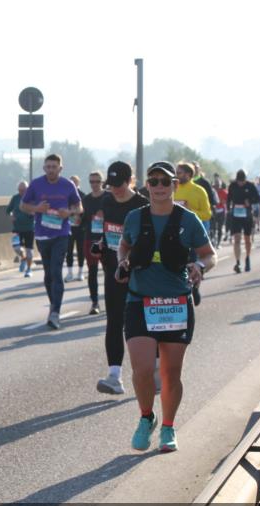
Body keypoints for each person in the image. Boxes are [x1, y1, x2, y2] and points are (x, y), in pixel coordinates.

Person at [115, 161, 216, 452]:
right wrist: (123, 260)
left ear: (174, 185)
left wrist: (199, 266)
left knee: (171, 373)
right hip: (139, 300)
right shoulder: (135, 218)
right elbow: (124, 245)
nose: (159, 186)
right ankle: (147, 418)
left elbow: (209, 255)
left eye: (164, 181)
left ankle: (169, 427)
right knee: (142, 369)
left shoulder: (188, 220)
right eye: (153, 181)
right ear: (147, 185)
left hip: (175, 302)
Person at [94, 161, 149, 394]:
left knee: (142, 324)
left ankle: (151, 373)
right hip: (112, 272)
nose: (115, 189)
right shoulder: (106, 201)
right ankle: (114, 376)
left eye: (119, 184)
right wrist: (101, 245)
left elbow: (147, 241)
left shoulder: (142, 206)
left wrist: (132, 261)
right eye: (112, 184)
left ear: (130, 181)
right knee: (114, 321)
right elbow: (108, 234)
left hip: (138, 274)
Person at [20, 154, 83, 329]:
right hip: (42, 234)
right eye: (48, 167)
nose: (51, 170)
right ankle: (54, 305)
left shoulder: (67, 185)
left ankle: (55, 312)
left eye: (54, 167)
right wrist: (37, 208)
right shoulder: (36, 184)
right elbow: (22, 206)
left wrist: (69, 212)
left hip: (61, 234)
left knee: (56, 271)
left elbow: (80, 207)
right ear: (44, 168)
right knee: (49, 274)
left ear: (60, 168)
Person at [173, 162, 211, 305]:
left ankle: (194, 287)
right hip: (173, 234)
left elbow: (207, 214)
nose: (177, 175)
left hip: (192, 234)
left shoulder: (199, 190)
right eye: (176, 172)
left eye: (180, 172)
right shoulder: (172, 189)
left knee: (191, 264)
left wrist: (190, 211)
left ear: (189, 174)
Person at [81, 170, 107, 314]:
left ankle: (111, 299)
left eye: (97, 181)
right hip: (91, 238)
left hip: (108, 239)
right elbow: (82, 220)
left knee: (109, 271)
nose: (94, 184)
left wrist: (105, 215)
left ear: (102, 182)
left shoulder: (109, 197)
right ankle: (95, 302)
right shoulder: (86, 199)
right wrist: (78, 218)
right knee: (92, 271)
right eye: (91, 182)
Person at [226, 169, 260, 273]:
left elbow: (258, 199)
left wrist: (249, 202)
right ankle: (238, 262)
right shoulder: (232, 186)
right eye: (239, 181)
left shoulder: (250, 186)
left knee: (247, 239)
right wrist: (228, 209)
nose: (241, 183)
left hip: (247, 215)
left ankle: (247, 258)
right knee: (237, 239)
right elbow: (228, 199)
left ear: (245, 179)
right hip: (236, 215)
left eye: (242, 181)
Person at [6, 180, 35, 276]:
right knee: (16, 247)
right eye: (20, 190)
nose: (21, 192)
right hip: (17, 227)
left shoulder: (32, 198)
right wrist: (11, 216)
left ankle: (29, 269)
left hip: (29, 228)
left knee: (29, 251)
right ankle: (23, 258)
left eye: (23, 190)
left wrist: (33, 213)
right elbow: (8, 210)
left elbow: (39, 210)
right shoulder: (15, 198)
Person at [65, 174, 87, 282]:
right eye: (71, 182)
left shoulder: (83, 196)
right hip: (68, 227)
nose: (72, 184)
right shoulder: (65, 196)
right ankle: (69, 273)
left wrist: (80, 217)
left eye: (74, 182)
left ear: (78, 183)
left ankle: (80, 272)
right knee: (68, 250)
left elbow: (86, 212)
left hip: (80, 228)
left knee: (80, 250)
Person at [212, 174, 228, 247]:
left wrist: (221, 202)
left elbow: (226, 201)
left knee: (220, 228)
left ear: (221, 185)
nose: (217, 186)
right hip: (213, 211)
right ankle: (214, 241)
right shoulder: (212, 191)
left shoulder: (224, 192)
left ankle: (218, 243)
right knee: (213, 228)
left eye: (219, 185)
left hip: (221, 211)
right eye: (216, 184)